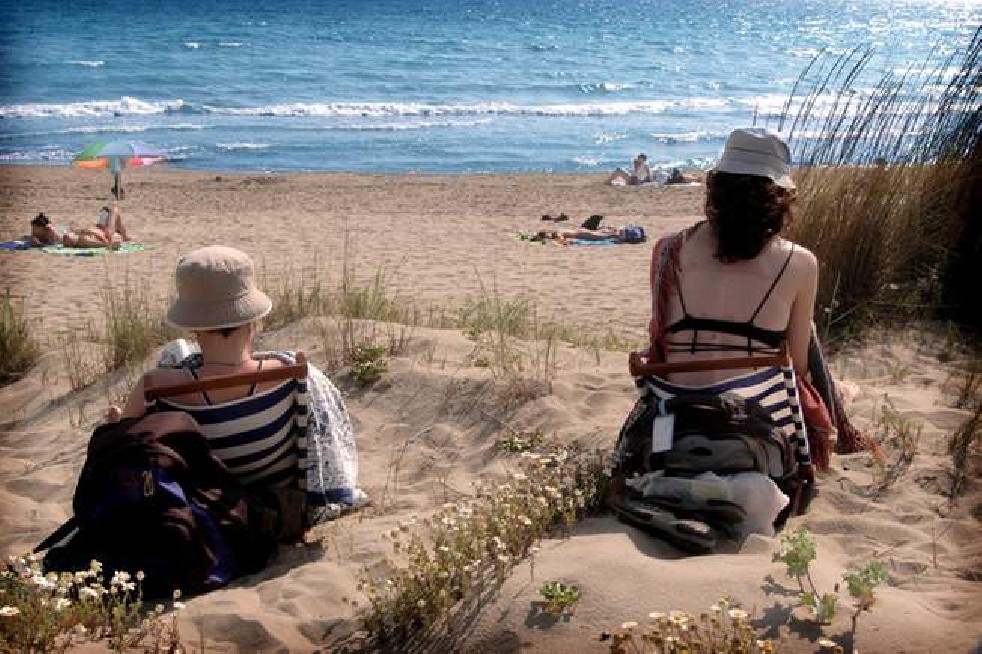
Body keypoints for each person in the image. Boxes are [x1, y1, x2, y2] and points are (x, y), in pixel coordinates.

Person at [109, 246, 363, 522]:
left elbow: (126, 451)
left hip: (204, 511)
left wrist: (114, 426)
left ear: (193, 325)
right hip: (276, 505)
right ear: (253, 320)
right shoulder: (292, 372)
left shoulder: (155, 386)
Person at [647, 128, 818, 387]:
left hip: (677, 411)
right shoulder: (800, 263)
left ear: (716, 188)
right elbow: (798, 367)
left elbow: (659, 340)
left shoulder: (668, 250)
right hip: (759, 415)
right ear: (779, 199)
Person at [62, 205, 132, 248]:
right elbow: (104, 243)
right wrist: (110, 243)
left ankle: (123, 234)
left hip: (100, 227)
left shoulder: (78, 235)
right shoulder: (83, 240)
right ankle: (124, 236)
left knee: (106, 210)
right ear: (72, 242)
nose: (67, 235)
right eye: (67, 238)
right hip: (106, 233)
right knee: (115, 210)